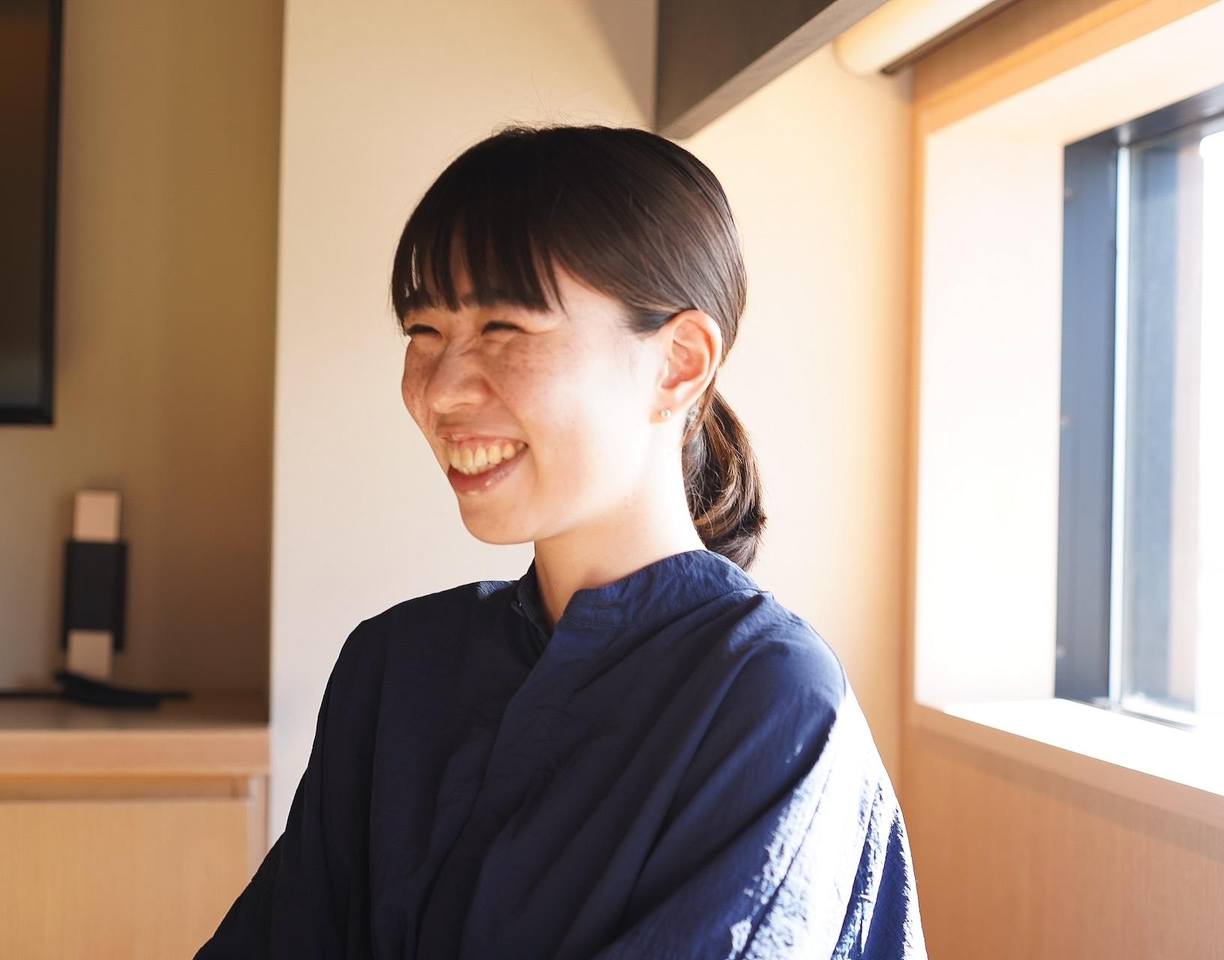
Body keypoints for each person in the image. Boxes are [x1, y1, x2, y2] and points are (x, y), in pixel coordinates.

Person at [195, 123, 927, 959]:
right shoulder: (394, 665)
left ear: (678, 363)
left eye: (504, 326)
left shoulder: (770, 698)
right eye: (423, 331)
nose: (441, 389)